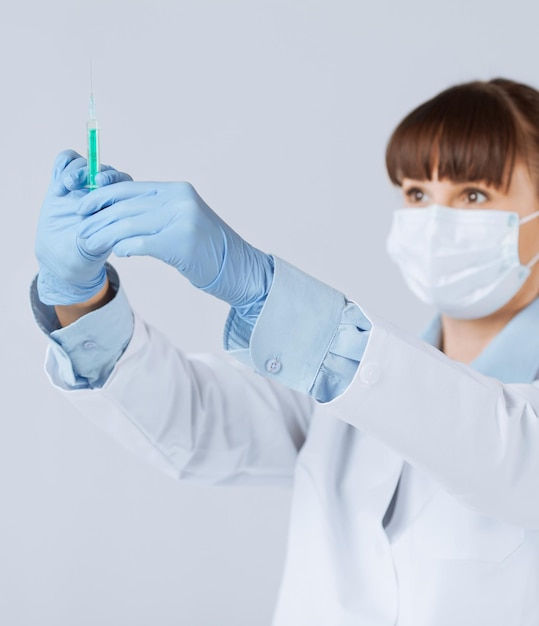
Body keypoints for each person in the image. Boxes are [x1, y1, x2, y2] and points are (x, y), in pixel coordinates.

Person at [32, 77, 539, 625]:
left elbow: (500, 448)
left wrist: (262, 289)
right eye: (417, 194)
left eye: (473, 195)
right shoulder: (353, 393)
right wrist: (79, 299)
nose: (434, 223)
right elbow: (193, 421)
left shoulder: (388, 380)